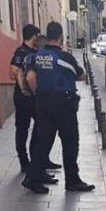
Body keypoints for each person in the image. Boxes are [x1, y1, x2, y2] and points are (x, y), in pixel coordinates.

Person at [23, 21, 96, 194]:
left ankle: (33, 178)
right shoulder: (65, 57)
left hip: (43, 104)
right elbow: (81, 76)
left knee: (43, 143)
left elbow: (30, 78)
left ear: (47, 36)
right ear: (61, 36)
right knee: (70, 142)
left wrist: (38, 94)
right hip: (64, 105)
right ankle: (72, 180)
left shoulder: (37, 56)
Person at [10, 25, 60, 176]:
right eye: (37, 36)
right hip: (23, 98)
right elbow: (13, 72)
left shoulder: (36, 52)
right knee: (22, 130)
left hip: (35, 98)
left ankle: (40, 160)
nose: (39, 39)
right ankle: (25, 163)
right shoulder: (21, 52)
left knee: (41, 128)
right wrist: (26, 86)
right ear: (33, 37)